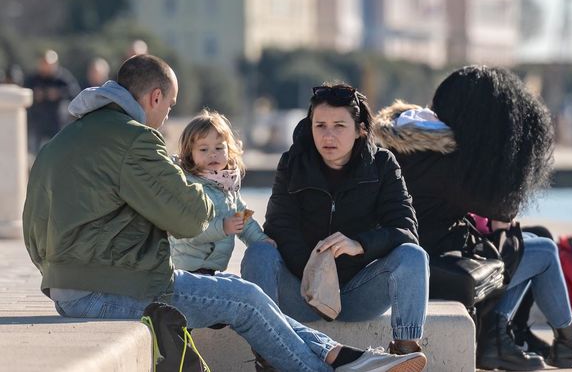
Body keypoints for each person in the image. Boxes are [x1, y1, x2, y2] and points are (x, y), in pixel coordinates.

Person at [22, 54, 423, 372]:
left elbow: (32, 232)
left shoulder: (64, 139)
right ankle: (327, 368)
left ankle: (339, 354)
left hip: (70, 288)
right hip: (114, 289)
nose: (165, 119)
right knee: (244, 300)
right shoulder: (135, 140)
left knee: (244, 293)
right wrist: (196, 189)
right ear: (156, 98)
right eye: (171, 106)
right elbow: (189, 217)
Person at [375, 66, 572, 371]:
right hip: (435, 261)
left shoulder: (413, 143)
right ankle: (557, 341)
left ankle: (520, 337)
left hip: (424, 251)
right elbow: (499, 210)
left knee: (533, 240)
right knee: (542, 251)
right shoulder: (440, 160)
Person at [242, 84, 429, 368]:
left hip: (357, 294)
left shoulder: (382, 165)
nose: (328, 135)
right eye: (320, 125)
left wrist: (360, 245)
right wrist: (316, 270)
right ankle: (268, 359)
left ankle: (403, 355)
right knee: (258, 253)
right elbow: (279, 227)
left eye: (339, 125)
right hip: (302, 289)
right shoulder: (292, 163)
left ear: (360, 130)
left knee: (413, 256)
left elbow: (405, 229)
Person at [171, 109, 275, 275]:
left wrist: (261, 241)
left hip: (210, 268)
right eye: (203, 149)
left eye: (219, 148)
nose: (212, 154)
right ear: (190, 154)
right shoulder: (189, 186)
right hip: (186, 268)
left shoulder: (228, 184)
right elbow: (187, 229)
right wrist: (223, 227)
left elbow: (243, 220)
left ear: (229, 149)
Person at [24, 49, 80, 153]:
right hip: (38, 121)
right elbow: (24, 91)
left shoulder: (62, 77)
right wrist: (35, 95)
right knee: (36, 153)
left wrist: (58, 93)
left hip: (57, 121)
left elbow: (74, 93)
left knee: (59, 151)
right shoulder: (33, 79)